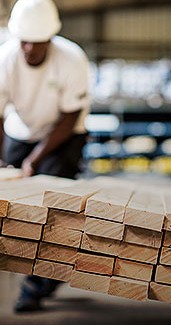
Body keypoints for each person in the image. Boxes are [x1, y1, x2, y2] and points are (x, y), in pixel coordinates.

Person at [0, 0, 90, 312]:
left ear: (49, 39)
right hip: (20, 131)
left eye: (35, 43)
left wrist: (35, 160)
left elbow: (69, 117)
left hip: (63, 134)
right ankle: (40, 272)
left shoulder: (71, 59)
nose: (27, 49)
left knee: (53, 206)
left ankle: (36, 286)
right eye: (22, 41)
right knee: (15, 206)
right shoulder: (5, 57)